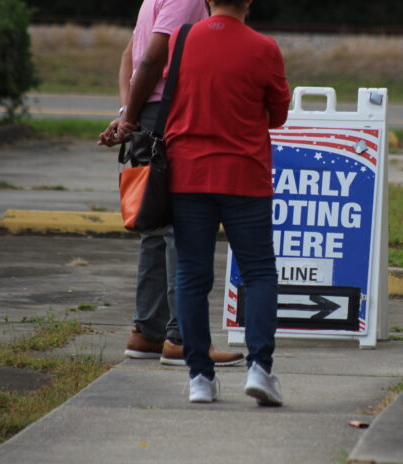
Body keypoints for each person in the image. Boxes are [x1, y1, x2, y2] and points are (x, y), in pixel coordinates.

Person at [97, 0, 243, 367]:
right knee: (184, 225)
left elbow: (131, 55)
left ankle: (147, 333)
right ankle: (182, 338)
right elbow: (149, 60)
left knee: (155, 223)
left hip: (149, 111)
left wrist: (127, 114)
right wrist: (130, 118)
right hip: (170, 113)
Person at [157, 0, 289, 405]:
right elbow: (278, 115)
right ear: (249, 1)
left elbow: (169, 93)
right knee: (259, 273)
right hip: (244, 175)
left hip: (188, 175)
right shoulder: (264, 48)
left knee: (192, 276)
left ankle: (199, 377)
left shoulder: (180, 40)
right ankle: (260, 369)